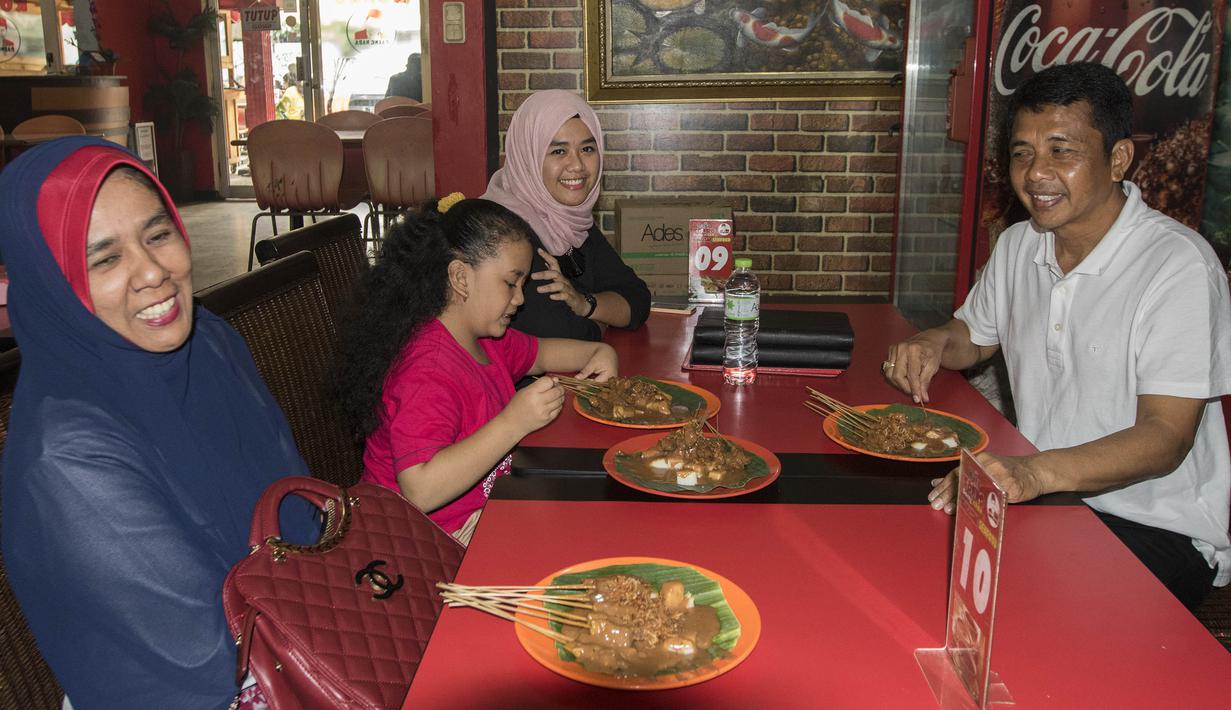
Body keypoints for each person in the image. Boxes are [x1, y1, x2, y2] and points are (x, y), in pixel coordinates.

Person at [884, 62, 1231, 610]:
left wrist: (1032, 472)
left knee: (1004, 610)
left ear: (1118, 159)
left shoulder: (1177, 265)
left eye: (1061, 151)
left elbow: (1167, 436)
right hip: (1046, 500)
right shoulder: (1021, 244)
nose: (1035, 173)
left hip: (1152, 527)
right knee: (904, 560)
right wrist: (932, 342)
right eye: (1022, 153)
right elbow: (972, 338)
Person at [0, 137, 320, 707]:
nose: (152, 272)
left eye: (157, 234)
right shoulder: (69, 461)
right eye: (103, 258)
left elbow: (298, 510)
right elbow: (201, 662)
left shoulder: (209, 344)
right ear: (50, 286)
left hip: (305, 641)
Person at [336, 194, 618, 545]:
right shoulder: (428, 370)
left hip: (479, 514)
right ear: (460, 277)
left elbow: (543, 353)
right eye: (510, 283)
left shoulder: (485, 339)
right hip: (420, 542)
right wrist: (514, 422)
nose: (520, 299)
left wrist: (598, 350)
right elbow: (421, 489)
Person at [483, 90, 650, 341]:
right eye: (559, 151)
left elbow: (637, 299)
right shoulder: (502, 233)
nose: (578, 166)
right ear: (528, 156)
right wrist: (602, 321)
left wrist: (585, 305)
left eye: (587, 148)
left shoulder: (573, 221)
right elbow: (562, 336)